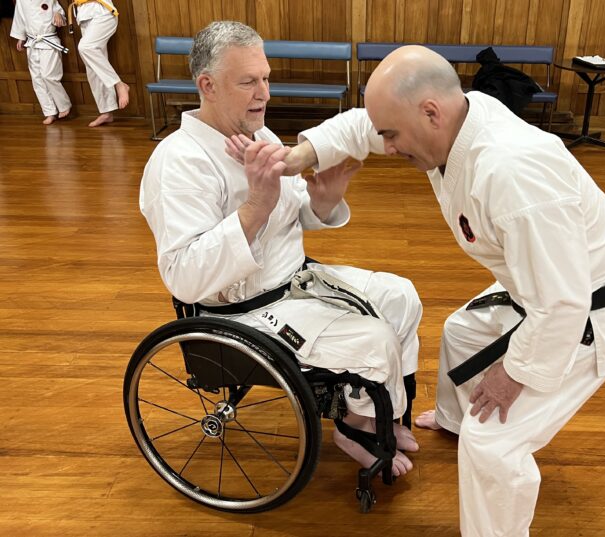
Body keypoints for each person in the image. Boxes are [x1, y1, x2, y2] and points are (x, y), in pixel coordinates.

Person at [239, 45, 605, 537]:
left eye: (392, 136)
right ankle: (453, 419)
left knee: (492, 444)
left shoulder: (513, 171)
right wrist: (301, 154)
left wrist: (513, 374)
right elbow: (362, 126)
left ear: (430, 112)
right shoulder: (453, 119)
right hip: (538, 284)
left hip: (585, 314)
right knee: (462, 329)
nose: (386, 147)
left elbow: (563, 300)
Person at [139, 21, 421, 477]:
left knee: (401, 295)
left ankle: (376, 414)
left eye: (265, 78)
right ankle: (355, 428)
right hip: (240, 311)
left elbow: (293, 216)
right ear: (206, 85)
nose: (264, 93)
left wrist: (323, 200)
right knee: (375, 340)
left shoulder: (262, 137)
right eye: (248, 81)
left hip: (294, 282)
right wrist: (255, 207)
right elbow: (184, 276)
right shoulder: (177, 162)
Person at [68, 0, 129, 126]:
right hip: (84, 15)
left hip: (102, 12)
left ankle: (119, 84)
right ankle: (106, 112)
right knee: (92, 67)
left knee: (86, 47)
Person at [10, 0, 71, 125]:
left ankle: (64, 105)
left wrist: (59, 15)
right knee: (37, 79)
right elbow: (19, 18)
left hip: (49, 41)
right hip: (32, 42)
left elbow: (58, 12)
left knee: (48, 75)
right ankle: (50, 112)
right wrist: (21, 37)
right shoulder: (21, 1)